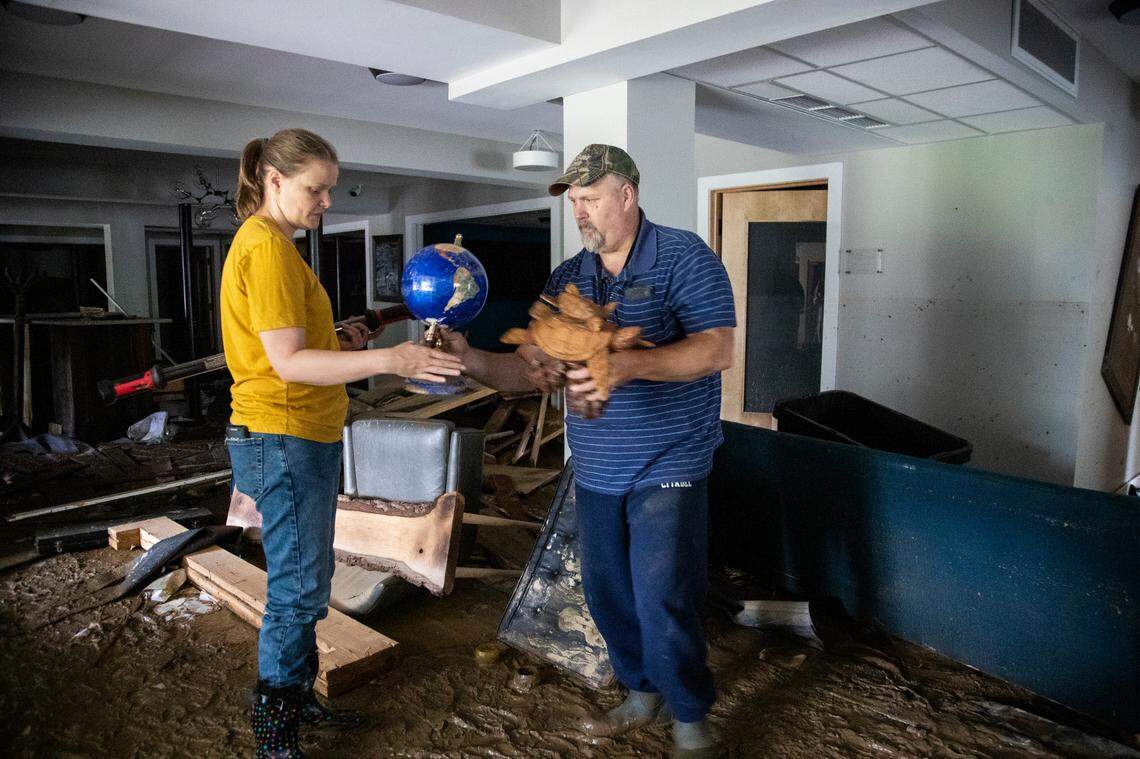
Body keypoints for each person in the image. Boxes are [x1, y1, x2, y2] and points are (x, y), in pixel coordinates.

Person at [444, 144, 735, 758]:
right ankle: (641, 692)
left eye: (590, 198)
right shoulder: (567, 278)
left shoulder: (685, 257)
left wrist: (626, 365)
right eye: (573, 201)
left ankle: (689, 718)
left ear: (626, 195)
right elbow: (529, 373)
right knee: (607, 591)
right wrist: (472, 358)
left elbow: (714, 350)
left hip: (670, 458)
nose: (580, 211)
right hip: (597, 465)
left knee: (663, 594)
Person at [221, 128, 465, 758]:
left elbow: (300, 347)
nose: (327, 201)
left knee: (309, 574)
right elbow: (290, 363)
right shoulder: (268, 250)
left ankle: (297, 698)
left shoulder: (275, 246)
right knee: (298, 587)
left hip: (300, 431)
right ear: (275, 182)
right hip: (283, 431)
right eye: (316, 188)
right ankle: (275, 734)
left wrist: (343, 342)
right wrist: (393, 356)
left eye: (330, 188)